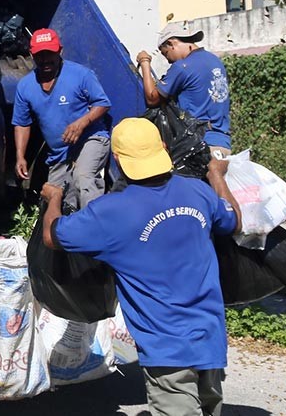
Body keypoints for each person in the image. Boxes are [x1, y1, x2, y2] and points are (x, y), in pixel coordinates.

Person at [41, 118, 242, 416]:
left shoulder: (111, 213)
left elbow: (51, 236)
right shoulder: (197, 193)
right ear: (162, 148)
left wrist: (53, 199)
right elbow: (234, 221)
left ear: (118, 160)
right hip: (209, 334)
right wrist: (216, 175)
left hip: (167, 345)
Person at [12, 28, 111, 212]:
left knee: (84, 178)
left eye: (50, 53)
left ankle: (98, 232)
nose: (45, 60)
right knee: (54, 196)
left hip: (90, 139)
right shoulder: (25, 86)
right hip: (59, 152)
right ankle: (61, 237)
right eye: (40, 55)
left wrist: (82, 123)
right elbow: (22, 123)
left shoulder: (81, 75)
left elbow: (103, 104)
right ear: (31, 55)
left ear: (60, 51)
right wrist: (20, 156)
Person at [137, 21, 235, 203]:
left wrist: (145, 63)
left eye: (167, 54)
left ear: (172, 43)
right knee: (220, 204)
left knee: (190, 205)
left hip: (199, 147)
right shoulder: (214, 61)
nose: (169, 60)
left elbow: (152, 98)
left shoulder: (183, 67)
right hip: (222, 143)